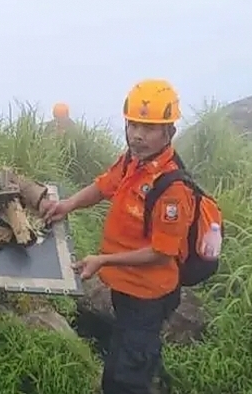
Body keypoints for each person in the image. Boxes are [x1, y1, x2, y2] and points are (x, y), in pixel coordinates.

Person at [41, 79, 197, 394]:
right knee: (126, 356)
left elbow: (161, 252)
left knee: (127, 380)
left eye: (149, 128)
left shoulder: (172, 189)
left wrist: (103, 260)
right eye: (133, 125)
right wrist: (68, 204)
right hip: (125, 288)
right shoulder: (132, 160)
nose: (137, 134)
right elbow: (104, 185)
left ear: (169, 132)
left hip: (148, 295)